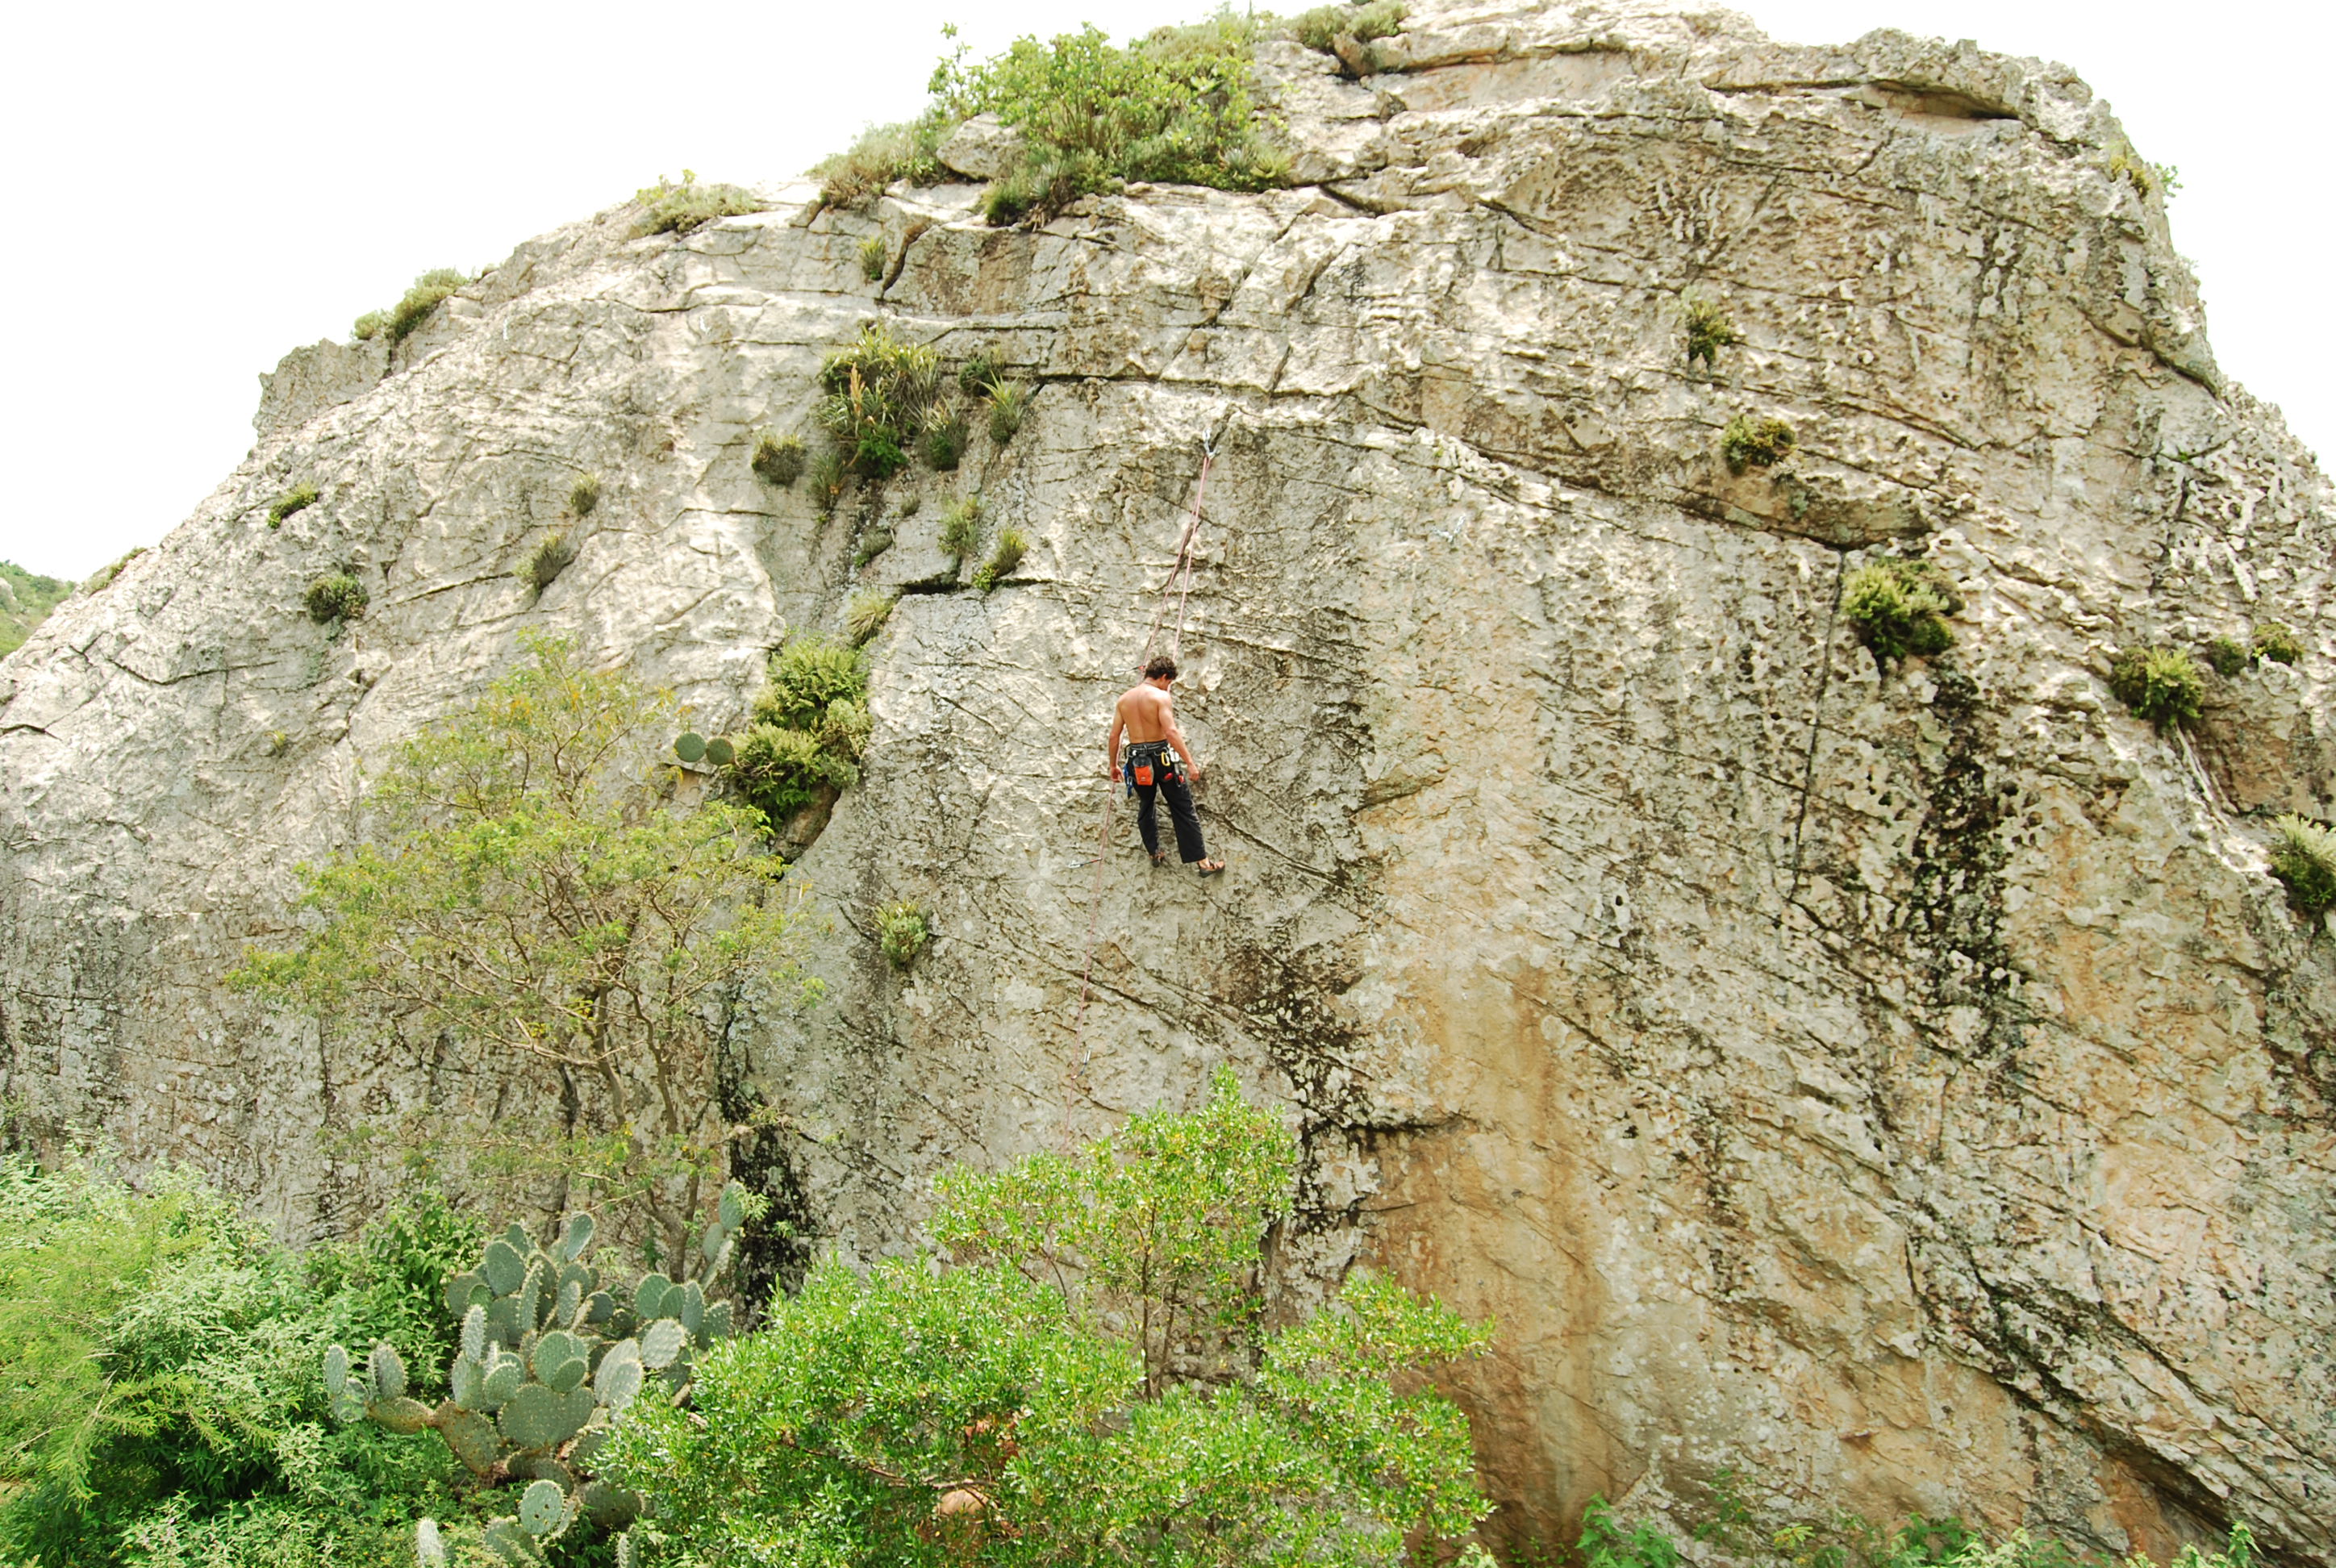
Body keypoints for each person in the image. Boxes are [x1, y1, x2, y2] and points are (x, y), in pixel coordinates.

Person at [1107, 656, 1224, 875]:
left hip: (1137, 761)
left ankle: (1154, 851)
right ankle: (1202, 862)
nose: (1167, 687)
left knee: (1146, 803)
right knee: (1182, 806)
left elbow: (1114, 736)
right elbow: (1170, 732)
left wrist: (1113, 765)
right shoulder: (1160, 697)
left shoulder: (1124, 700)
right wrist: (1190, 762)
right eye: (1168, 683)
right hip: (1162, 759)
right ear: (1163, 677)